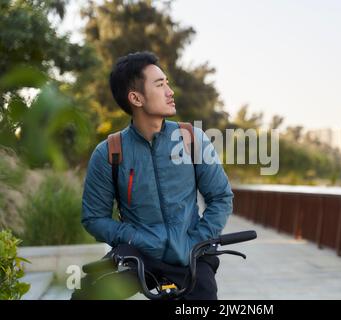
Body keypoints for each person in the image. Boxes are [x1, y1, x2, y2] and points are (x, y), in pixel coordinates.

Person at [71, 51, 233, 300]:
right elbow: (94, 217)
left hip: (190, 254)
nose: (170, 91)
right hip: (139, 255)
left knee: (203, 298)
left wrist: (195, 240)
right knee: (86, 296)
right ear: (136, 98)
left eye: (167, 82)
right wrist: (137, 238)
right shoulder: (109, 152)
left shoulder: (192, 139)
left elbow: (221, 197)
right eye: (160, 85)